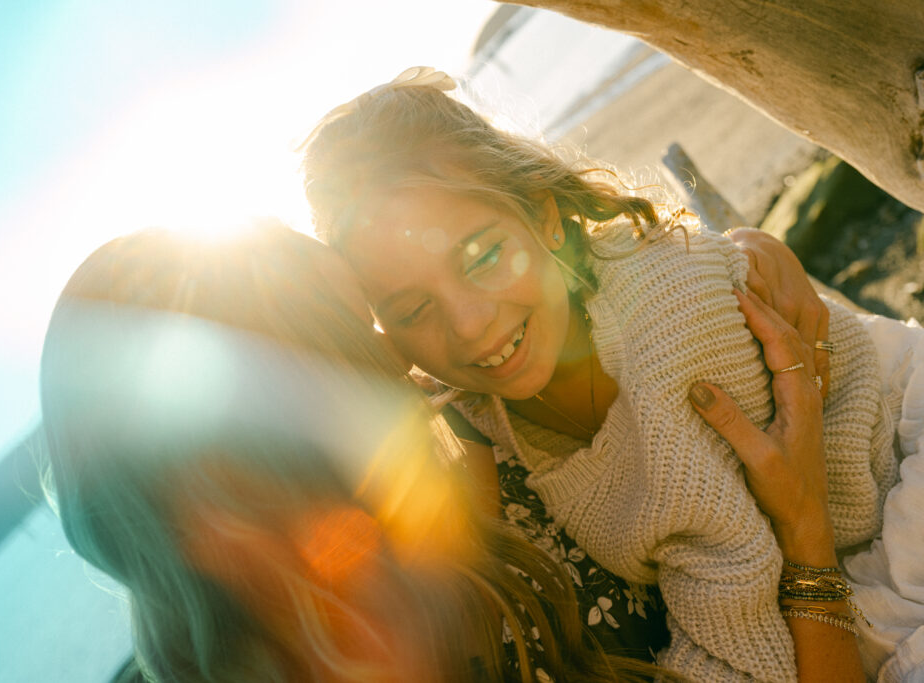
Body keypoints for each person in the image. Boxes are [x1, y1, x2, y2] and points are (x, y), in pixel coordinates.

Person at [301, 67, 920, 681]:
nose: (468, 325)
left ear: (543, 215)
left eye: (484, 255)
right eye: (412, 308)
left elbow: (742, 626)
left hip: (903, 483)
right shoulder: (480, 420)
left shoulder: (669, 328)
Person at [39, 223, 681, 682]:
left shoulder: (471, 461)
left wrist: (726, 261)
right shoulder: (392, 629)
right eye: (360, 336)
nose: (403, 359)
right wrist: (790, 549)